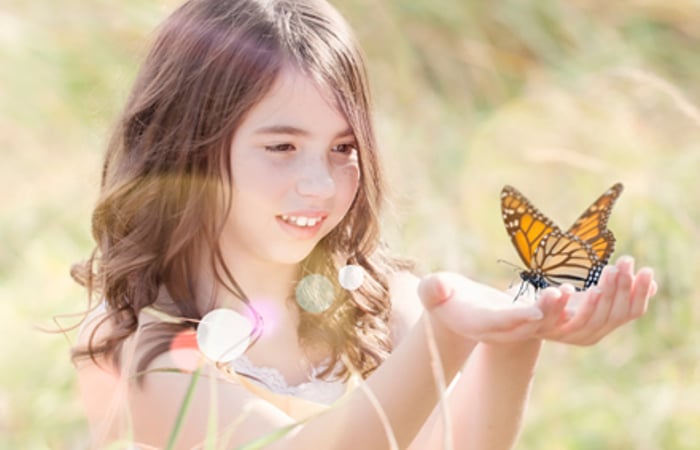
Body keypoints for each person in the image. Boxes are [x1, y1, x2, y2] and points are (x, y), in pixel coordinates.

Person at [71, 0, 657, 448]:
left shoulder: (383, 310)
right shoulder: (136, 344)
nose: (321, 186)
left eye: (344, 148)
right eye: (281, 147)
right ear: (186, 148)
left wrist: (514, 333)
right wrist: (445, 336)